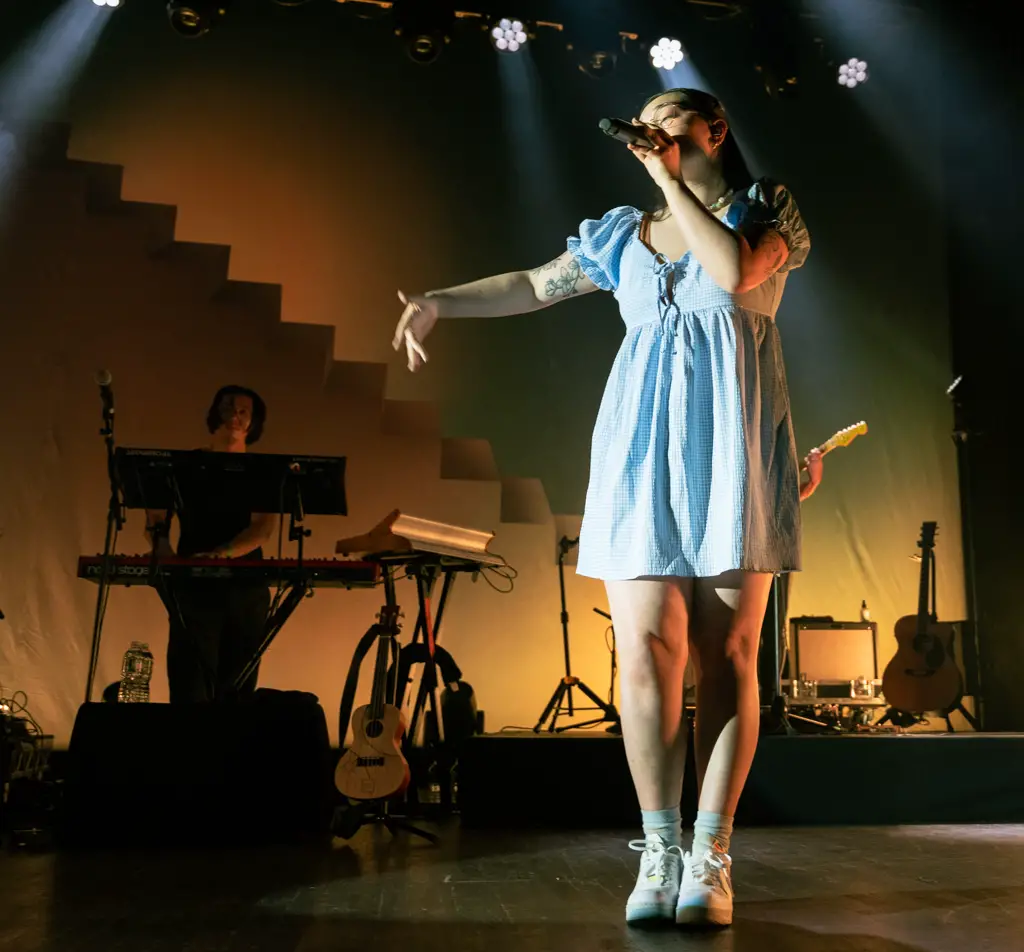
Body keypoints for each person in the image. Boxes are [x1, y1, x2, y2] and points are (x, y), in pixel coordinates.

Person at [392, 87, 811, 928]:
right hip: (638, 452)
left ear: (713, 131)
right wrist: (439, 300)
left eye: (669, 118)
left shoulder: (766, 210)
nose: (650, 130)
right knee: (646, 649)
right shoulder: (623, 232)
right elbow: (533, 284)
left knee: (727, 654)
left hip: (730, 451)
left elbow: (730, 273)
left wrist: (672, 185)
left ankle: (712, 855)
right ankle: (659, 848)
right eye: (643, 120)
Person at [144, 386, 276, 703]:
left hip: (245, 588)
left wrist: (221, 555)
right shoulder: (185, 465)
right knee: (189, 686)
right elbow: (156, 519)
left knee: (238, 693)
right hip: (194, 586)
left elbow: (262, 529)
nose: (235, 414)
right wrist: (167, 556)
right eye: (228, 406)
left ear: (252, 423)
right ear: (214, 412)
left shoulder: (262, 471)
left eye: (244, 410)